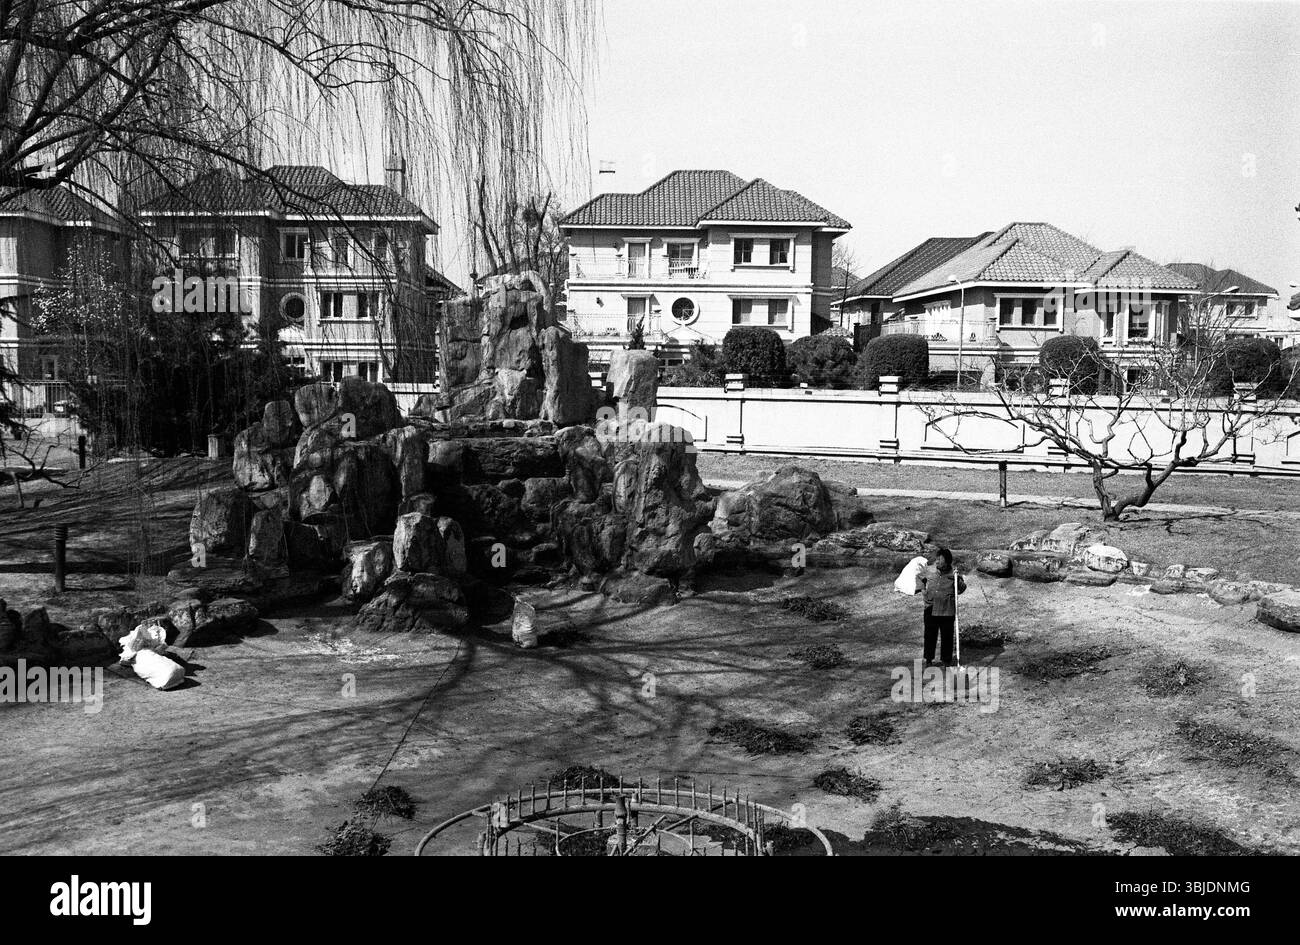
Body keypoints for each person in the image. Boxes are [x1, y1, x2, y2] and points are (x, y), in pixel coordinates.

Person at [920, 548, 966, 667]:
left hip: (947, 609)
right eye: (937, 559)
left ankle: (946, 660)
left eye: (940, 559)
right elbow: (920, 579)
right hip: (931, 607)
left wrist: (958, 578)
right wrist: (923, 591)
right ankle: (929, 659)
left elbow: (961, 589)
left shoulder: (953, 574)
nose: (937, 562)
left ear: (947, 561)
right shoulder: (929, 570)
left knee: (947, 636)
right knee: (930, 635)